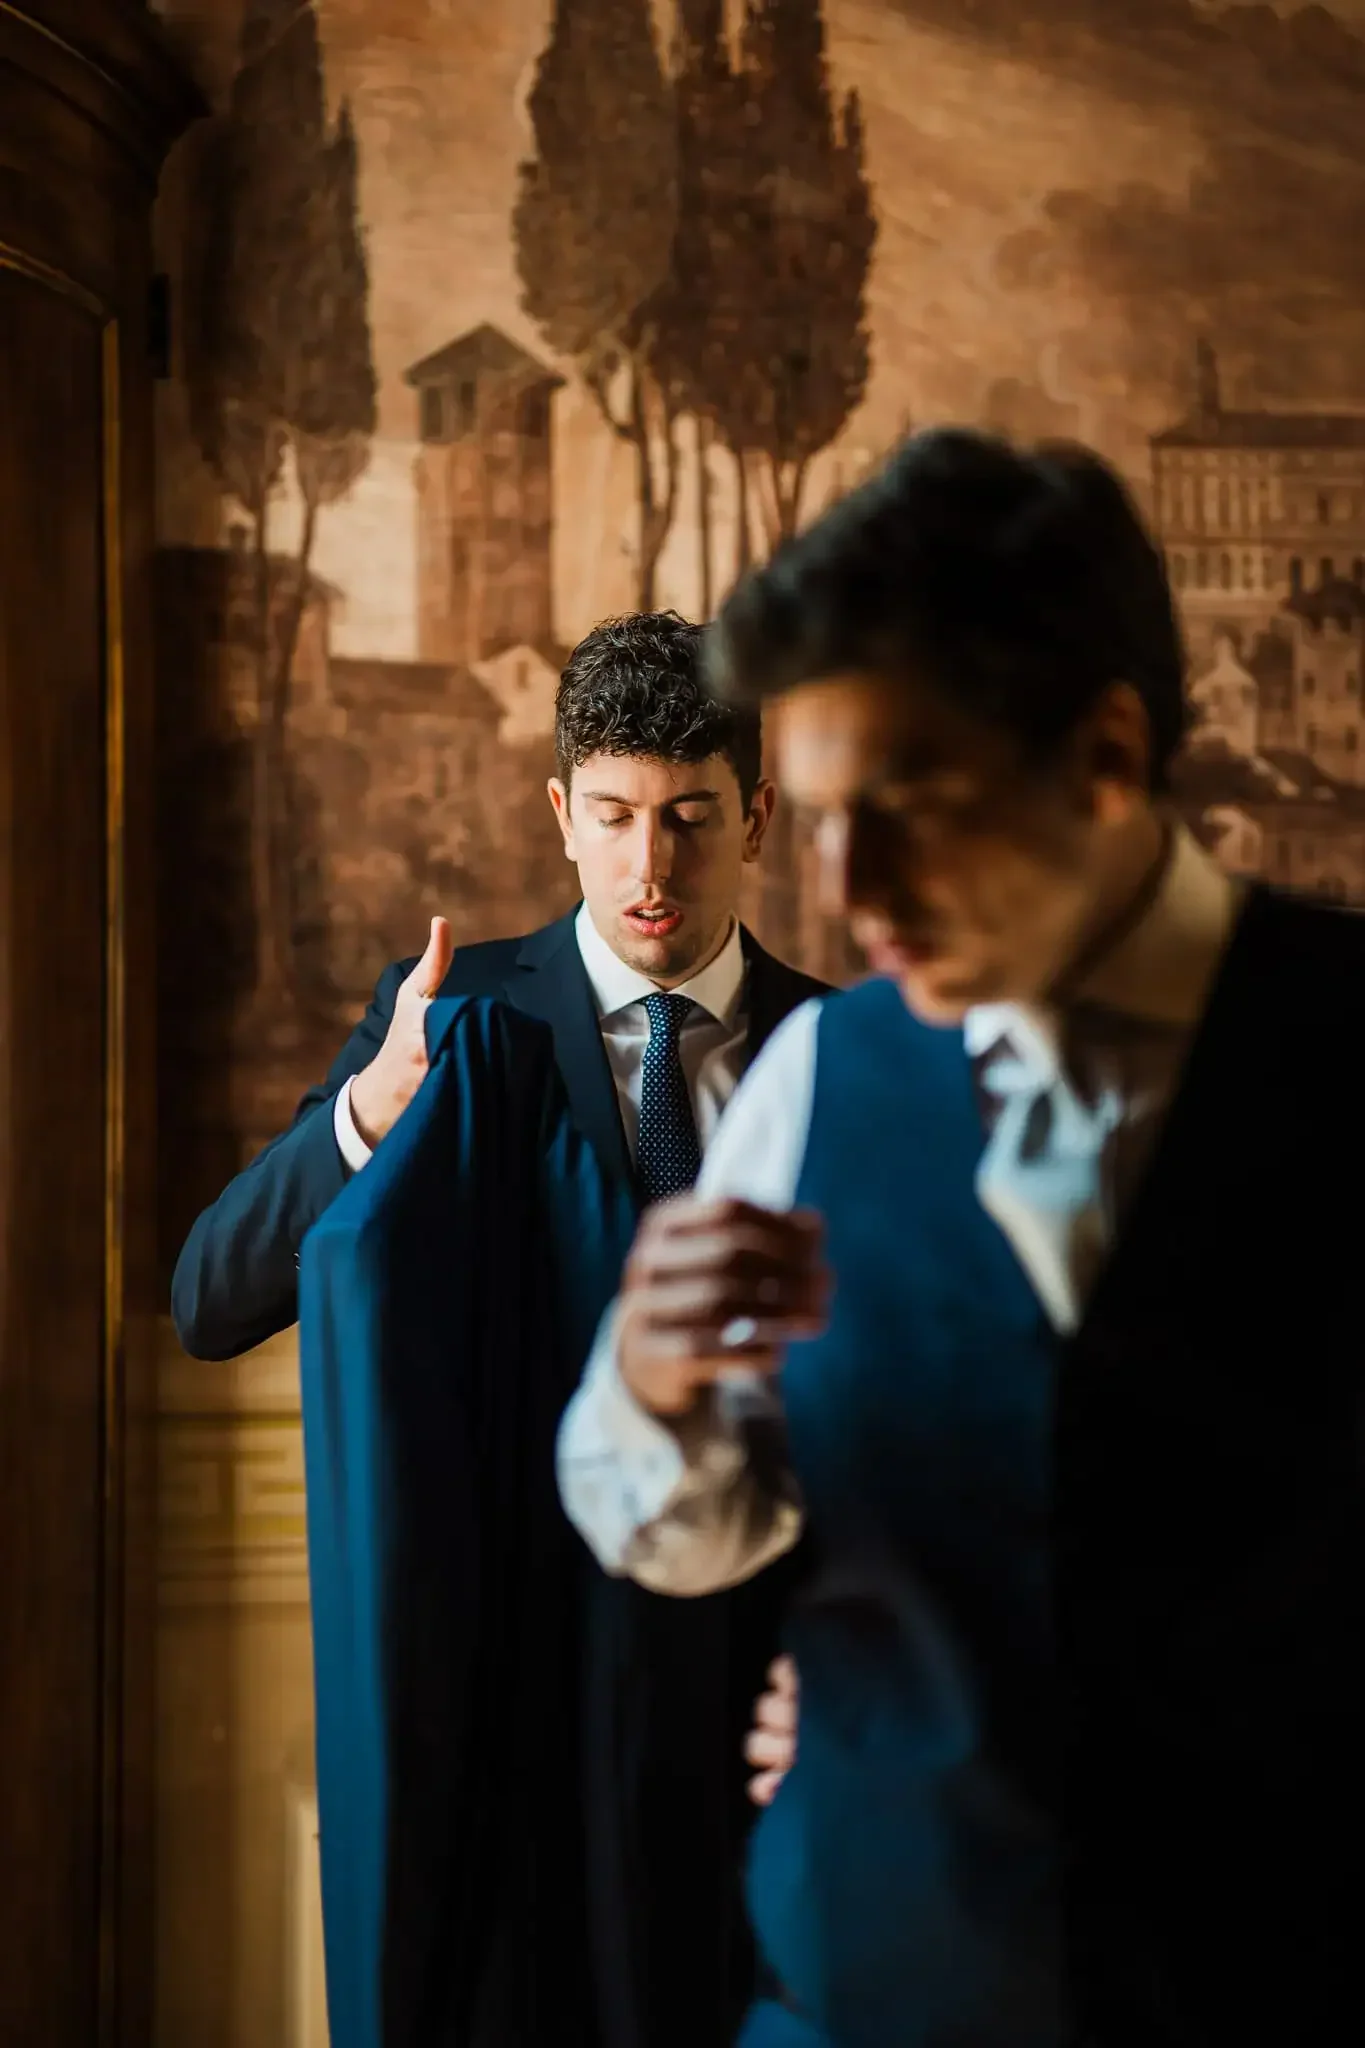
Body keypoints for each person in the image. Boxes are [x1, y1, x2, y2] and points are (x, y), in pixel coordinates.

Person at [558, 433, 1365, 2047]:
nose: (852, 886)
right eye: (833, 814)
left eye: (912, 803)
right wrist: (648, 1390)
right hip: (869, 1986)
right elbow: (678, 1522)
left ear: (1106, 755)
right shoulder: (821, 1076)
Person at [173, 611, 826, 2048]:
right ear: (561, 814)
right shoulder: (447, 1023)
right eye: (614, 817)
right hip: (515, 1707)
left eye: (690, 817)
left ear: (757, 815)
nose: (650, 865)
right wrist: (368, 1116)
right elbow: (211, 1296)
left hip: (775, 1719)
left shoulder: (852, 1054)